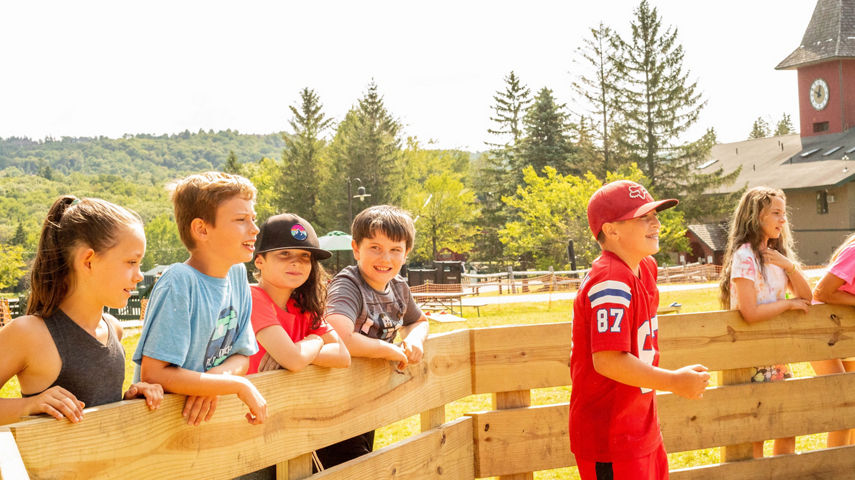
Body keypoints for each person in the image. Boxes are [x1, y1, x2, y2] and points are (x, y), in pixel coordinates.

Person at [570, 180, 709, 480]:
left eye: (655, 215)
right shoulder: (610, 279)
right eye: (643, 217)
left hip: (640, 427)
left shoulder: (645, 268)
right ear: (611, 230)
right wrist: (674, 381)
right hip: (611, 436)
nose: (656, 223)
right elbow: (607, 359)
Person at [0, 196, 163, 425]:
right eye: (131, 262)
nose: (138, 275)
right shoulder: (28, 333)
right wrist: (30, 405)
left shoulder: (113, 329)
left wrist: (130, 401)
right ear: (88, 261)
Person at [132, 172, 267, 426]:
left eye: (253, 218)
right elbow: (154, 374)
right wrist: (235, 385)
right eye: (240, 219)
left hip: (202, 433)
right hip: (157, 431)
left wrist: (215, 381)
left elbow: (242, 355)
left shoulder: (238, 274)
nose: (255, 228)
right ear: (201, 229)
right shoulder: (179, 281)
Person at [319, 205, 429, 470]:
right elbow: (340, 337)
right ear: (356, 248)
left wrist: (414, 340)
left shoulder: (399, 287)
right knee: (349, 468)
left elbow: (419, 321)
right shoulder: (349, 284)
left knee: (363, 459)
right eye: (375, 248)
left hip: (366, 399)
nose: (385, 258)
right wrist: (389, 350)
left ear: (406, 253)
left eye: (395, 250)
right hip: (333, 403)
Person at [719, 186, 811, 457]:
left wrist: (788, 265)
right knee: (756, 435)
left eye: (784, 214)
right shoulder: (744, 257)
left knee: (787, 429)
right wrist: (787, 304)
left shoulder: (775, 257)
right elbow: (750, 312)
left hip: (777, 357)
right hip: (751, 357)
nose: (783, 220)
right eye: (776, 213)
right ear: (756, 216)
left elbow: (807, 297)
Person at [248, 213, 350, 374]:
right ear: (260, 261)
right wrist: (315, 340)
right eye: (284, 254)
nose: (296, 262)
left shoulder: (303, 304)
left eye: (305, 256)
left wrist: (297, 351)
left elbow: (343, 356)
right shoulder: (252, 298)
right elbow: (294, 360)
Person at [811, 232, 855, 447]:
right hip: (821, 332)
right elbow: (821, 292)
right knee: (844, 406)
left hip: (845, 334)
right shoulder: (854, 252)